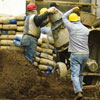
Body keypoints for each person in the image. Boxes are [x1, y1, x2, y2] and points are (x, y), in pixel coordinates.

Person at [62, 7, 89, 100]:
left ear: (71, 21)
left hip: (75, 54)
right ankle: (80, 88)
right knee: (81, 73)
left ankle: (78, 92)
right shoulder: (86, 29)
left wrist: (72, 9)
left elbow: (63, 17)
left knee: (75, 74)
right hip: (85, 54)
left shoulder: (71, 27)